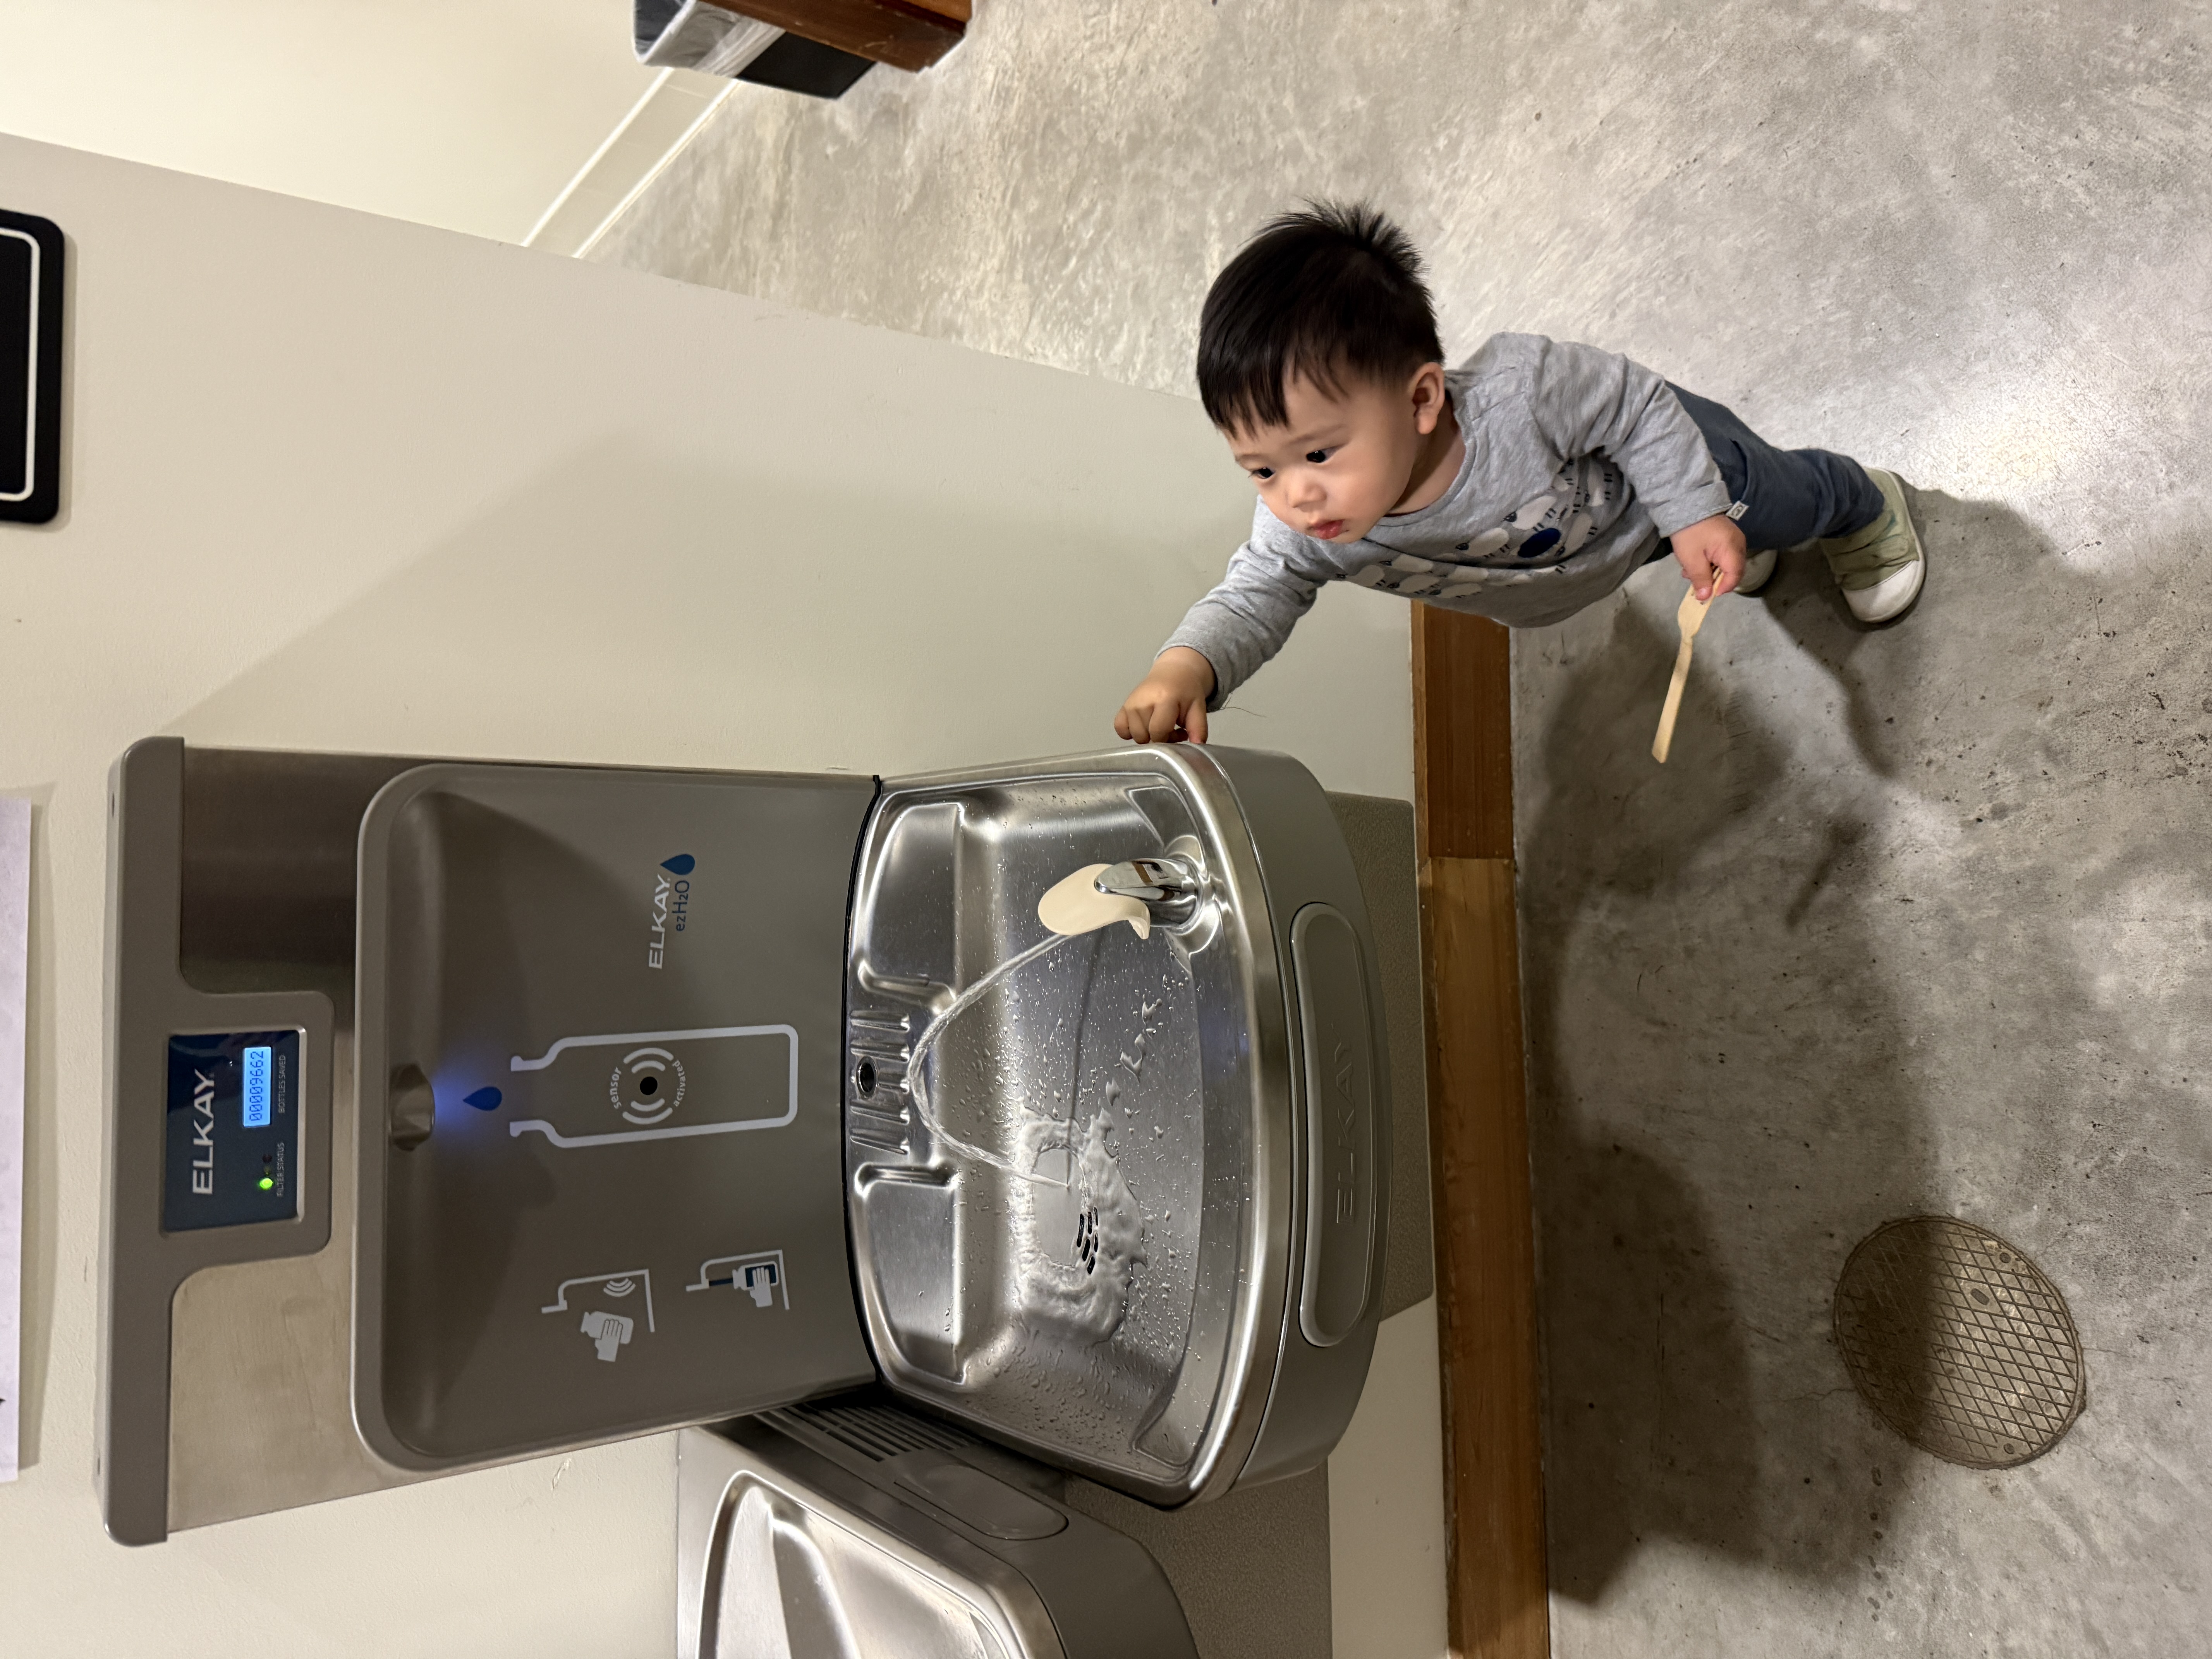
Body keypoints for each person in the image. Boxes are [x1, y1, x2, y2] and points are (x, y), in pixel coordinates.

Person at [1114, 202, 1924, 745]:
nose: (1294, 494)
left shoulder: (1524, 394)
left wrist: (1691, 509)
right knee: (1722, 541)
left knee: (1778, 500)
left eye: (1320, 453)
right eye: (1260, 468)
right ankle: (1721, 539)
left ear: (1423, 398)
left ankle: (1863, 510)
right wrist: (1189, 665)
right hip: (1607, 549)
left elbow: (1639, 407)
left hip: (1664, 473)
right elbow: (1255, 591)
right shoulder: (1311, 532)